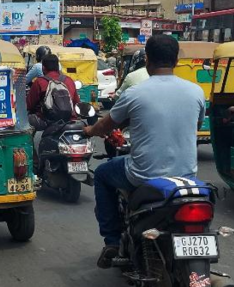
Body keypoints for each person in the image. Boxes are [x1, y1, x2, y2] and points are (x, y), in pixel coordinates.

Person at [83, 35, 204, 268]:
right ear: (176, 60)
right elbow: (195, 127)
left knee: (102, 174)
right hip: (186, 177)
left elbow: (105, 126)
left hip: (143, 176)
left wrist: (89, 131)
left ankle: (111, 241)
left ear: (147, 60)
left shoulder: (135, 93)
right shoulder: (196, 92)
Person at [26, 54, 80, 122]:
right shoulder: (69, 80)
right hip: (69, 121)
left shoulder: (39, 82)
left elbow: (29, 105)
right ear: (58, 66)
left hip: (47, 122)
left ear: (43, 68)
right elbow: (76, 103)